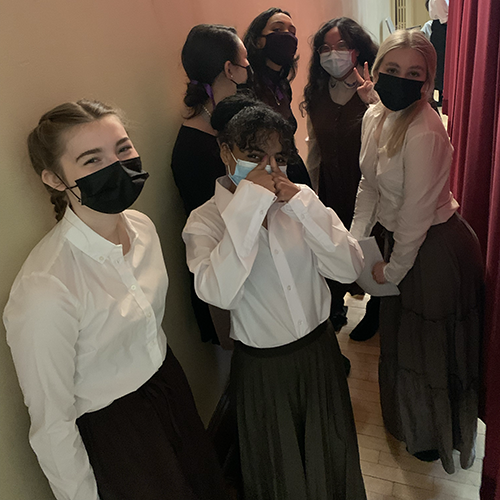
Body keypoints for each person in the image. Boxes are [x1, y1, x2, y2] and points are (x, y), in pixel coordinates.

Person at [3, 100, 230, 500]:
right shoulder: (46, 288)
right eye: (92, 160)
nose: (116, 165)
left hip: (168, 385)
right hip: (116, 429)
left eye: (122, 149)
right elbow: (51, 423)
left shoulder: (142, 227)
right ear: (55, 180)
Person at [183, 102, 366, 499]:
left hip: (319, 354)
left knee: (331, 456)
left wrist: (303, 204)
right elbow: (218, 291)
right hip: (263, 369)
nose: (269, 169)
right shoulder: (205, 221)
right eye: (254, 156)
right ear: (225, 152)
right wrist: (248, 207)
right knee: (279, 470)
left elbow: (349, 268)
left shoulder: (300, 205)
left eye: (278, 158)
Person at [350, 30, 483, 473]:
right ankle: (410, 421)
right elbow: (368, 184)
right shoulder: (375, 115)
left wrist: (395, 268)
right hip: (398, 239)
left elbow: (416, 214)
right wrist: (356, 240)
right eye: (391, 70)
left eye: (413, 74)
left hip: (432, 247)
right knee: (403, 341)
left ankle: (432, 435)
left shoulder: (425, 130)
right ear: (378, 68)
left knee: (429, 345)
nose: (400, 80)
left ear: (427, 82)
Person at [171, 24, 250, 346]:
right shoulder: (194, 148)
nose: (250, 71)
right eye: (245, 64)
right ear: (230, 70)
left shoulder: (226, 126)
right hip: (227, 275)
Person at [302, 17, 380, 340]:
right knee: (333, 249)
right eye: (325, 48)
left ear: (357, 50)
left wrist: (373, 103)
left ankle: (375, 310)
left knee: (371, 250)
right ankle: (335, 306)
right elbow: (314, 147)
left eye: (342, 47)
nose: (332, 54)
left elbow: (393, 140)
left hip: (370, 190)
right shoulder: (317, 91)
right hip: (331, 189)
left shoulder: (376, 87)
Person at [243, 7, 312, 187]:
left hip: (290, 167)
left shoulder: (282, 84)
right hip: (263, 178)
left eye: (292, 31)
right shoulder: (247, 85)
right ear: (258, 41)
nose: (287, 36)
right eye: (277, 29)